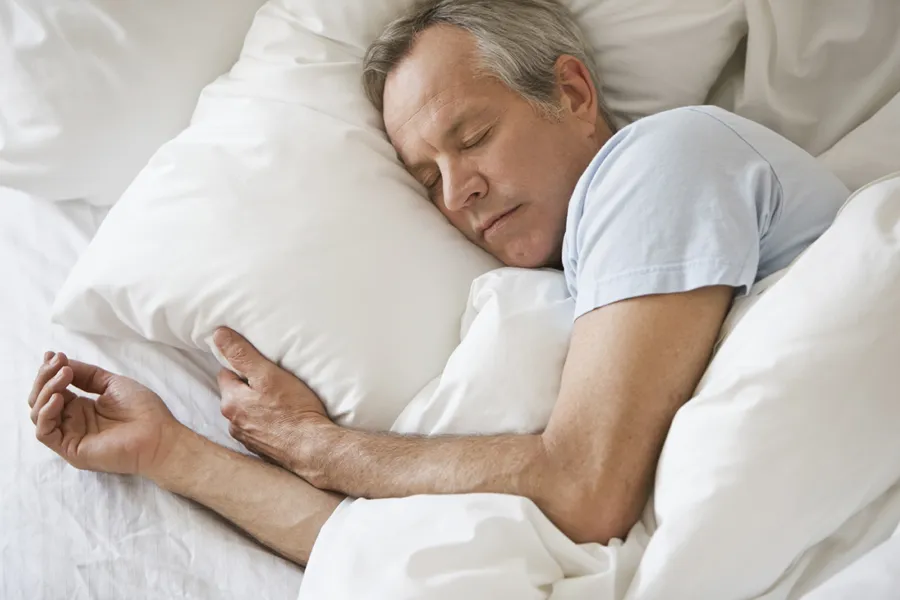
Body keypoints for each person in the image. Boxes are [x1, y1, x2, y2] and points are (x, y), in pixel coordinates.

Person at [27, 0, 849, 565]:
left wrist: (321, 446)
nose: (458, 192)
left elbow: (584, 491)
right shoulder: (564, 307)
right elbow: (417, 551)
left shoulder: (661, 161)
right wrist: (169, 452)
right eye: (427, 178)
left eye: (475, 136)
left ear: (571, 92)